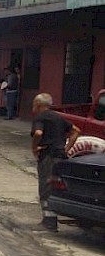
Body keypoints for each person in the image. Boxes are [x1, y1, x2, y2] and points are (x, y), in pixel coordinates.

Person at [30, 93, 80, 232]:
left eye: (34, 103)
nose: (33, 106)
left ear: (39, 105)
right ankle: (51, 219)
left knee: (45, 188)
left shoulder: (40, 118)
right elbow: (76, 131)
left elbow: (38, 133)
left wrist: (34, 147)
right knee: (55, 187)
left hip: (48, 157)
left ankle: (49, 222)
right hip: (60, 157)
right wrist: (66, 149)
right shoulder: (58, 117)